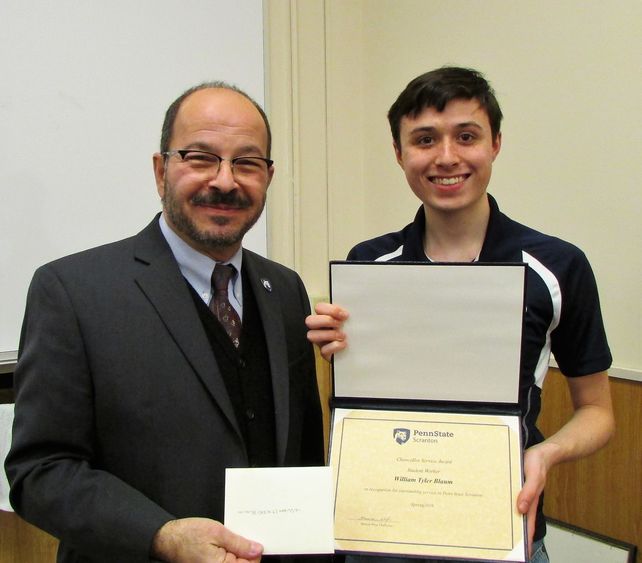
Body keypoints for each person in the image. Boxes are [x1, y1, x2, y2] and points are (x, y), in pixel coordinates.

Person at [6, 82, 326, 563]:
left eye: (246, 162)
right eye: (200, 157)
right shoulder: (72, 292)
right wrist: (161, 534)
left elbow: (302, 457)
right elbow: (41, 471)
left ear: (268, 176)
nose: (224, 180)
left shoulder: (285, 291)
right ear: (161, 171)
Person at [306, 67, 614, 563]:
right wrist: (333, 352)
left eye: (466, 136)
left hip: (500, 526)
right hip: (381, 534)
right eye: (424, 139)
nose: (446, 157)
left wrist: (544, 453)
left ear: (495, 143)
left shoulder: (558, 267)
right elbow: (364, 405)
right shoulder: (367, 266)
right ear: (399, 153)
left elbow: (598, 411)